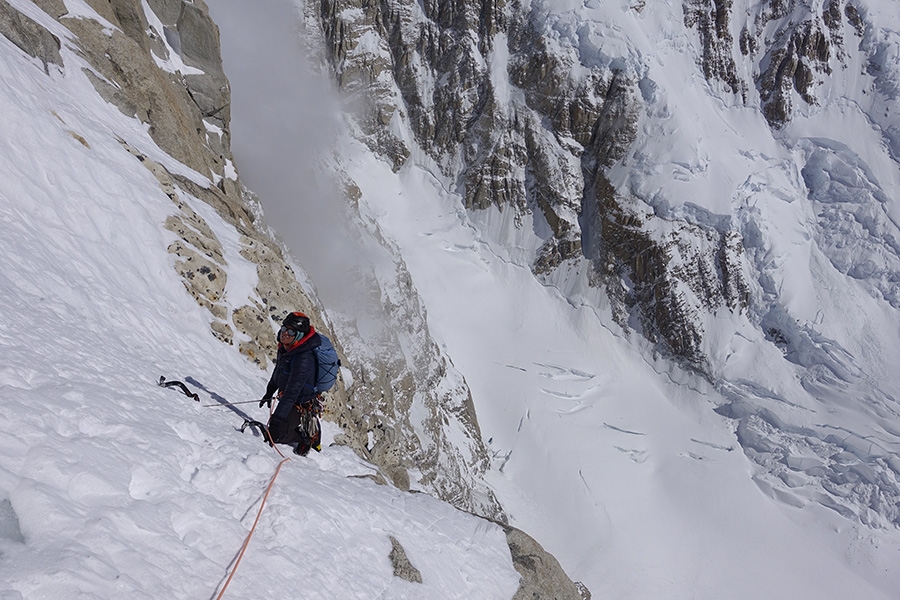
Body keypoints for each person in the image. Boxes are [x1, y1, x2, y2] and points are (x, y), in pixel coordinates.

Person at [259, 312, 323, 456]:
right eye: (284, 329)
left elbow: (292, 393)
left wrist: (276, 421)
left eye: (291, 331)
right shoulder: (286, 347)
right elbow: (279, 371)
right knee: (275, 431)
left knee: (277, 435)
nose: (285, 333)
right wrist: (270, 391)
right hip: (289, 398)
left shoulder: (304, 358)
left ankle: (305, 438)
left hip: (300, 402)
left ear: (299, 335)